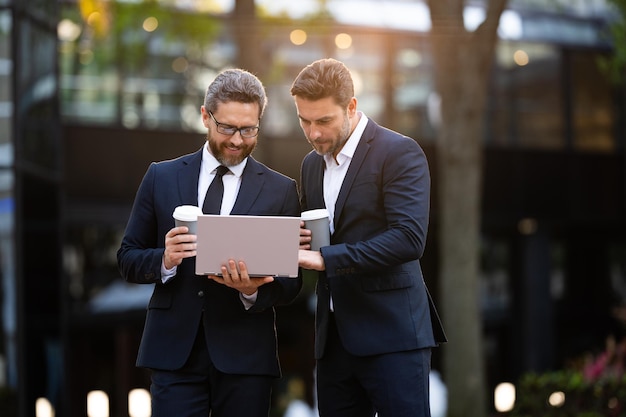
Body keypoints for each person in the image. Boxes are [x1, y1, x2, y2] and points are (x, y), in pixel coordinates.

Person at [117, 68, 302, 417]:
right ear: (205, 116)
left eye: (249, 129)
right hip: (175, 353)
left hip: (246, 356)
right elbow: (127, 257)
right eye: (227, 127)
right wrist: (165, 260)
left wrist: (251, 289)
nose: (237, 140)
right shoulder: (162, 177)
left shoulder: (282, 190)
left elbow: (291, 284)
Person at [291, 58, 447, 417]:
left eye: (324, 121)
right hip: (332, 342)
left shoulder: (399, 152)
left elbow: (409, 238)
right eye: (304, 121)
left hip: (393, 337)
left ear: (351, 107)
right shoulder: (311, 165)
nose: (314, 133)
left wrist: (328, 259)